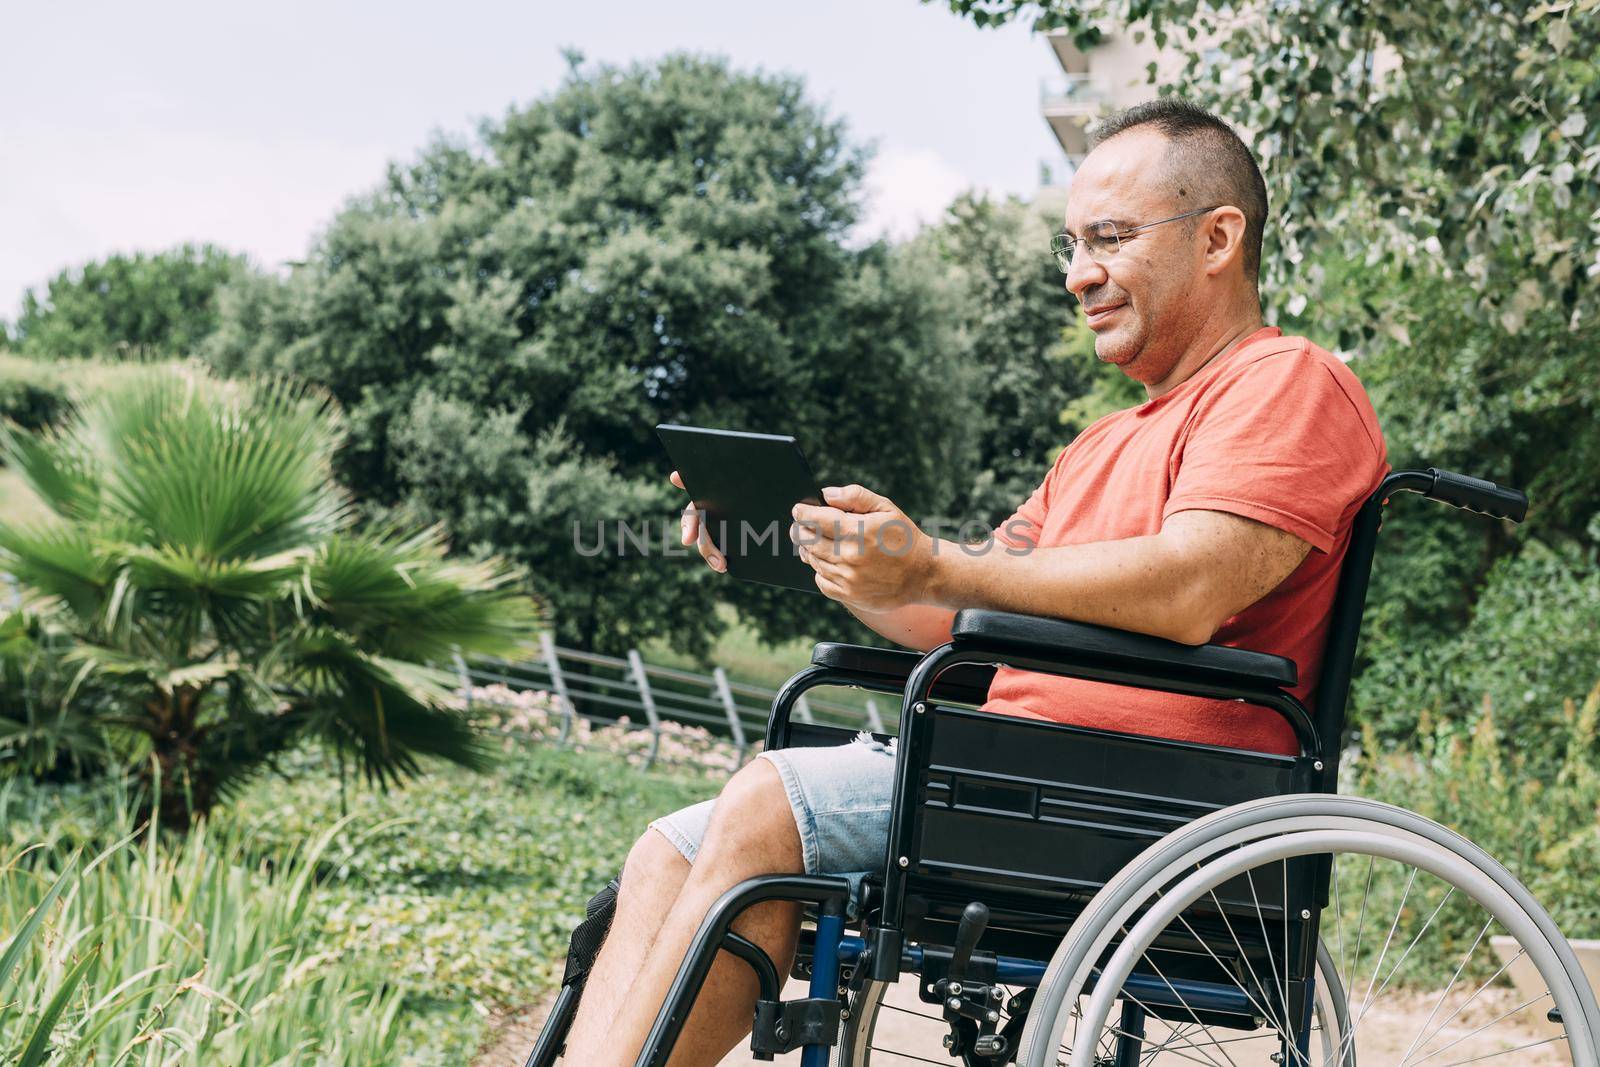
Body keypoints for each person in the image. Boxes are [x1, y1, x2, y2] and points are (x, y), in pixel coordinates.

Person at [558, 97, 1387, 1066]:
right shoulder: (1099, 445)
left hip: (1136, 799)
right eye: (1071, 244)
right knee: (667, 848)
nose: (1080, 274)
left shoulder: (1286, 382)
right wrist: (837, 560)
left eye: (1109, 239)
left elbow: (1190, 585)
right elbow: (961, 613)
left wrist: (941, 559)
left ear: (1217, 237)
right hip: (1013, 778)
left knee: (765, 797)